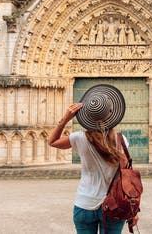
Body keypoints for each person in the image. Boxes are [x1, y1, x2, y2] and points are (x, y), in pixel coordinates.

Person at [49, 84, 129, 234]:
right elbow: (126, 177)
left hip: (84, 203)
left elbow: (52, 141)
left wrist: (65, 118)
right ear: (111, 114)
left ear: (86, 115)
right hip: (113, 205)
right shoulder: (121, 140)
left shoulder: (79, 138)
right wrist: (134, 212)